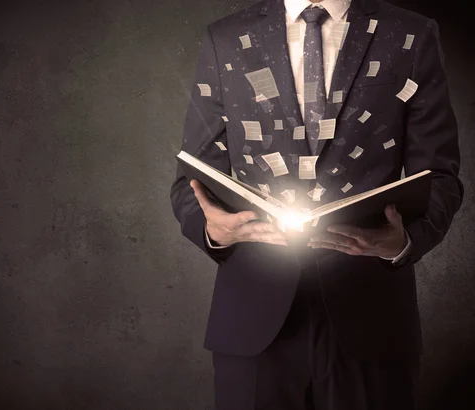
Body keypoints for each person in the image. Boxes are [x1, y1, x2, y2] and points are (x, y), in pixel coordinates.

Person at [169, 0, 464, 408]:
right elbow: (191, 179)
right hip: (251, 320)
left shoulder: (409, 34)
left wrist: (404, 241)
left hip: (372, 317)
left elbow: (440, 176)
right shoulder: (225, 39)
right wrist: (211, 231)